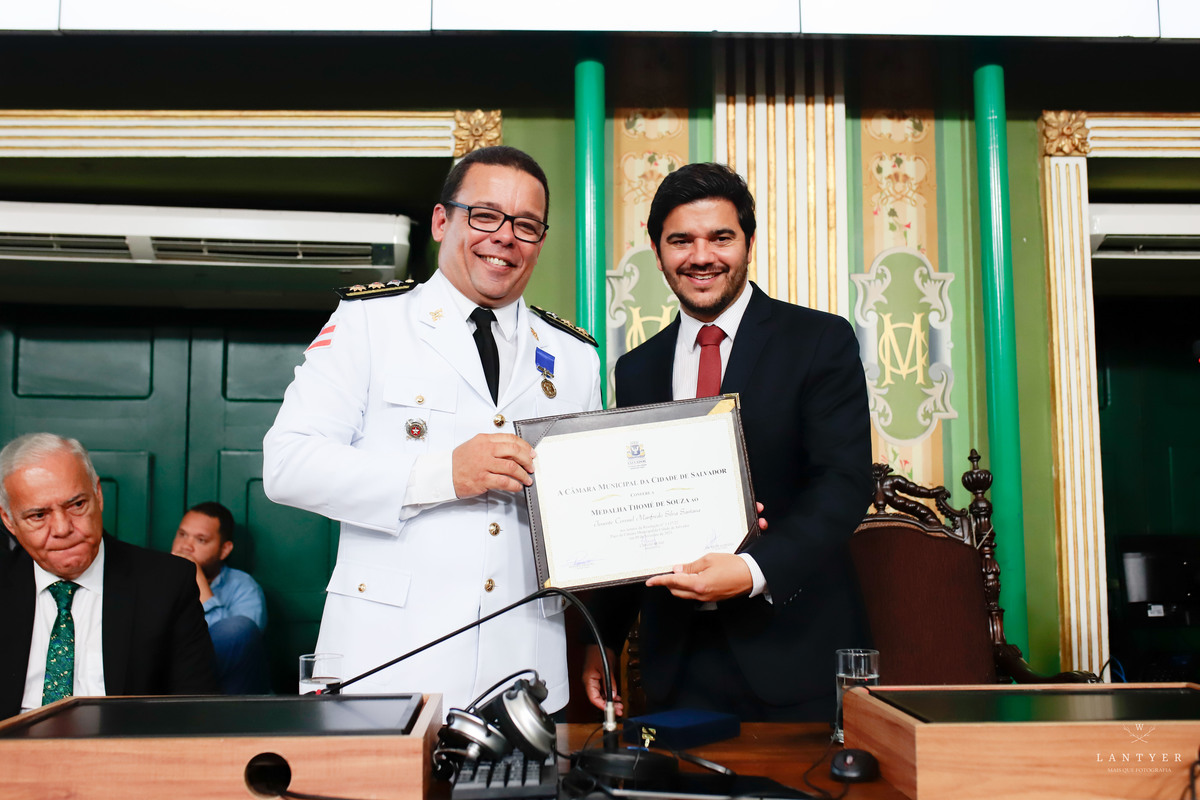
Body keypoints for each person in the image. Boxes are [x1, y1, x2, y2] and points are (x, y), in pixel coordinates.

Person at [263, 146, 602, 712]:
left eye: (526, 225)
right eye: (485, 214)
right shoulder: (370, 322)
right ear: (443, 220)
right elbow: (287, 465)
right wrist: (443, 474)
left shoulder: (574, 357)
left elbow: (583, 507)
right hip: (389, 660)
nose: (505, 237)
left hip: (526, 670)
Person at [583, 163, 872, 721]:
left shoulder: (819, 339)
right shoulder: (637, 368)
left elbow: (843, 483)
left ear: (748, 241)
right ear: (657, 248)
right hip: (678, 663)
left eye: (720, 238)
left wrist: (752, 571)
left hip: (793, 648)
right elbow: (630, 507)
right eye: (681, 240)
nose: (701, 256)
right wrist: (603, 637)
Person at [0, 433, 218, 719]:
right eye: (39, 515)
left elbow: (196, 711)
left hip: (126, 757)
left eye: (76, 505)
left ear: (98, 496)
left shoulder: (167, 583)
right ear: (9, 521)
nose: (63, 528)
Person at [171, 501, 270, 694]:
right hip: (177, 685)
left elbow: (239, 647)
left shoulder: (243, 587)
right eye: (182, 535)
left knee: (240, 627)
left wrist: (198, 581)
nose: (186, 546)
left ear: (224, 549)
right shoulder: (153, 579)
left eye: (201, 540)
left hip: (231, 690)